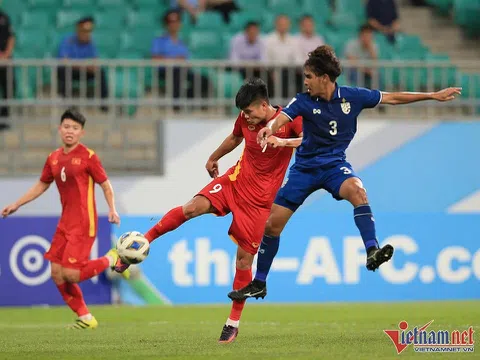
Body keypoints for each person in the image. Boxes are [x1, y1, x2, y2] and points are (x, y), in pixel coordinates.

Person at [228, 45, 462, 301]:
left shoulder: (353, 97)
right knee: (272, 226)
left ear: (323, 78)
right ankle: (259, 282)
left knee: (358, 191)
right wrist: (269, 129)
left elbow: (393, 97)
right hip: (304, 169)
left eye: (308, 77)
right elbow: (282, 117)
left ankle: (372, 249)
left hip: (333, 166)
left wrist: (432, 96)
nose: (305, 82)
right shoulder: (303, 100)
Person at [114, 78, 303, 343]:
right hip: (234, 182)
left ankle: (232, 323)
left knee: (243, 261)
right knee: (191, 208)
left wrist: (282, 143)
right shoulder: (245, 119)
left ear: (263, 104)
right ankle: (143, 242)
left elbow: (306, 142)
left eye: (249, 111)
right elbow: (236, 136)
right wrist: (214, 157)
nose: (246, 117)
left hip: (259, 203)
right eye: (243, 113)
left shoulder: (290, 120)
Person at [1, 109, 129, 329]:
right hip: (65, 223)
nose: (70, 131)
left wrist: (112, 209)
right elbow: (42, 184)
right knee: (56, 273)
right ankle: (86, 318)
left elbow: (105, 185)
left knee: (71, 273)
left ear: (81, 132)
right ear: (60, 129)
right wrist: (17, 204)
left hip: (84, 221)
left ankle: (113, 257)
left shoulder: (88, 156)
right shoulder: (53, 158)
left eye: (75, 128)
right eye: (67, 127)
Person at [57, 17, 108, 111]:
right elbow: (64, 60)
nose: (88, 33)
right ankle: (67, 104)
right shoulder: (68, 40)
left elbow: (95, 61)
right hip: (71, 71)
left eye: (90, 30)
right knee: (63, 71)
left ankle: (103, 105)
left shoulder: (91, 43)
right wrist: (82, 65)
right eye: (85, 30)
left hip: (84, 70)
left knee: (100, 72)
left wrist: (90, 66)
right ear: (78, 29)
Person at [344, 24, 380, 89]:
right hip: (353, 71)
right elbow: (352, 61)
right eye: (365, 35)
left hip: (367, 72)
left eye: (369, 35)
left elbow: (375, 62)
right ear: (360, 35)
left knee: (377, 76)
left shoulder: (373, 45)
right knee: (357, 75)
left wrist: (370, 48)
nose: (367, 37)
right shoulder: (352, 44)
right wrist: (364, 70)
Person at [0, 7, 15, 129]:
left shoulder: (4, 17)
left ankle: (5, 119)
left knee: (8, 88)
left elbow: (11, 37)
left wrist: (5, 55)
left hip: (5, 60)